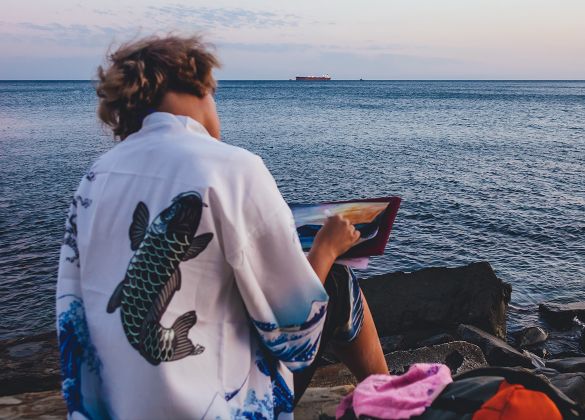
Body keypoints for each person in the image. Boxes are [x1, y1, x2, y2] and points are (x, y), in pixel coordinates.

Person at [56, 35, 387, 419]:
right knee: (338, 283)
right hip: (220, 409)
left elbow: (74, 318)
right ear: (199, 84)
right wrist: (326, 248)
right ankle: (394, 399)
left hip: (115, 408)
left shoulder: (95, 178)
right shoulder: (232, 168)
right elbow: (296, 337)